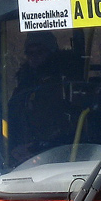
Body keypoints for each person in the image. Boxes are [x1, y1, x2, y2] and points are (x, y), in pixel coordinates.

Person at [7, 31, 74, 161]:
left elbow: (67, 123)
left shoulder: (65, 83)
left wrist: (43, 147)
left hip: (61, 152)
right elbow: (13, 117)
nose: (34, 57)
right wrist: (14, 148)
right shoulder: (24, 85)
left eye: (40, 52)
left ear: (52, 53)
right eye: (30, 53)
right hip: (26, 154)